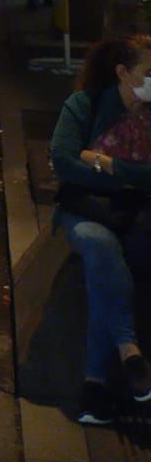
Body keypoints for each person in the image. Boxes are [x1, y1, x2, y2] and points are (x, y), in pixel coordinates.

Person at [49, 38, 151, 423]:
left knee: (106, 273)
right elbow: (64, 160)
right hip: (88, 210)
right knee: (99, 246)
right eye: (149, 73)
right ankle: (128, 349)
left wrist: (110, 166)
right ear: (123, 73)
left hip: (137, 215)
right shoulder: (85, 105)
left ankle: (95, 389)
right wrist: (126, 182)